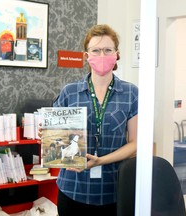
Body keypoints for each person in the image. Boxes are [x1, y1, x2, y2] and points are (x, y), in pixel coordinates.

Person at [53, 24, 138, 215]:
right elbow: (57, 138)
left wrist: (101, 160)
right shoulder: (70, 92)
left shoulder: (131, 93)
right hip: (72, 187)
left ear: (117, 54)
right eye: (96, 50)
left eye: (108, 50)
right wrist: (50, 135)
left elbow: (135, 143)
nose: (102, 55)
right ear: (86, 55)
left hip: (114, 188)